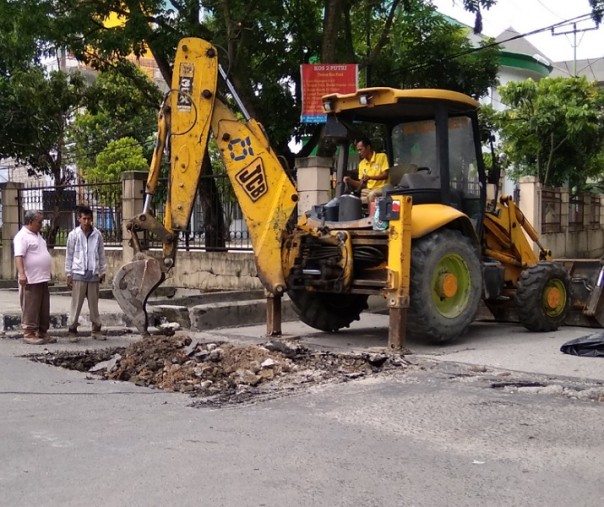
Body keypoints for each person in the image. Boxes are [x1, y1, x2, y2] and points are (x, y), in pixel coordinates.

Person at [13, 210, 56, 345]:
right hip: (31, 278)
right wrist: (22, 273)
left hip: (41, 277)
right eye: (39, 222)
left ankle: (42, 331)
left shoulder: (38, 236)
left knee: (43, 306)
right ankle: (29, 332)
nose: (41, 225)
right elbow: (19, 256)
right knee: (31, 306)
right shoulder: (22, 236)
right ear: (30, 222)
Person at [65, 205, 107, 342]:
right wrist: (68, 273)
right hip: (78, 273)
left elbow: (101, 254)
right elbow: (69, 255)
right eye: (84, 219)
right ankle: (72, 330)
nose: (87, 221)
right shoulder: (73, 235)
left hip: (93, 274)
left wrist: (102, 270)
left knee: (94, 305)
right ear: (79, 219)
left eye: (89, 219)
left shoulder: (97, 234)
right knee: (76, 304)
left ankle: (96, 330)